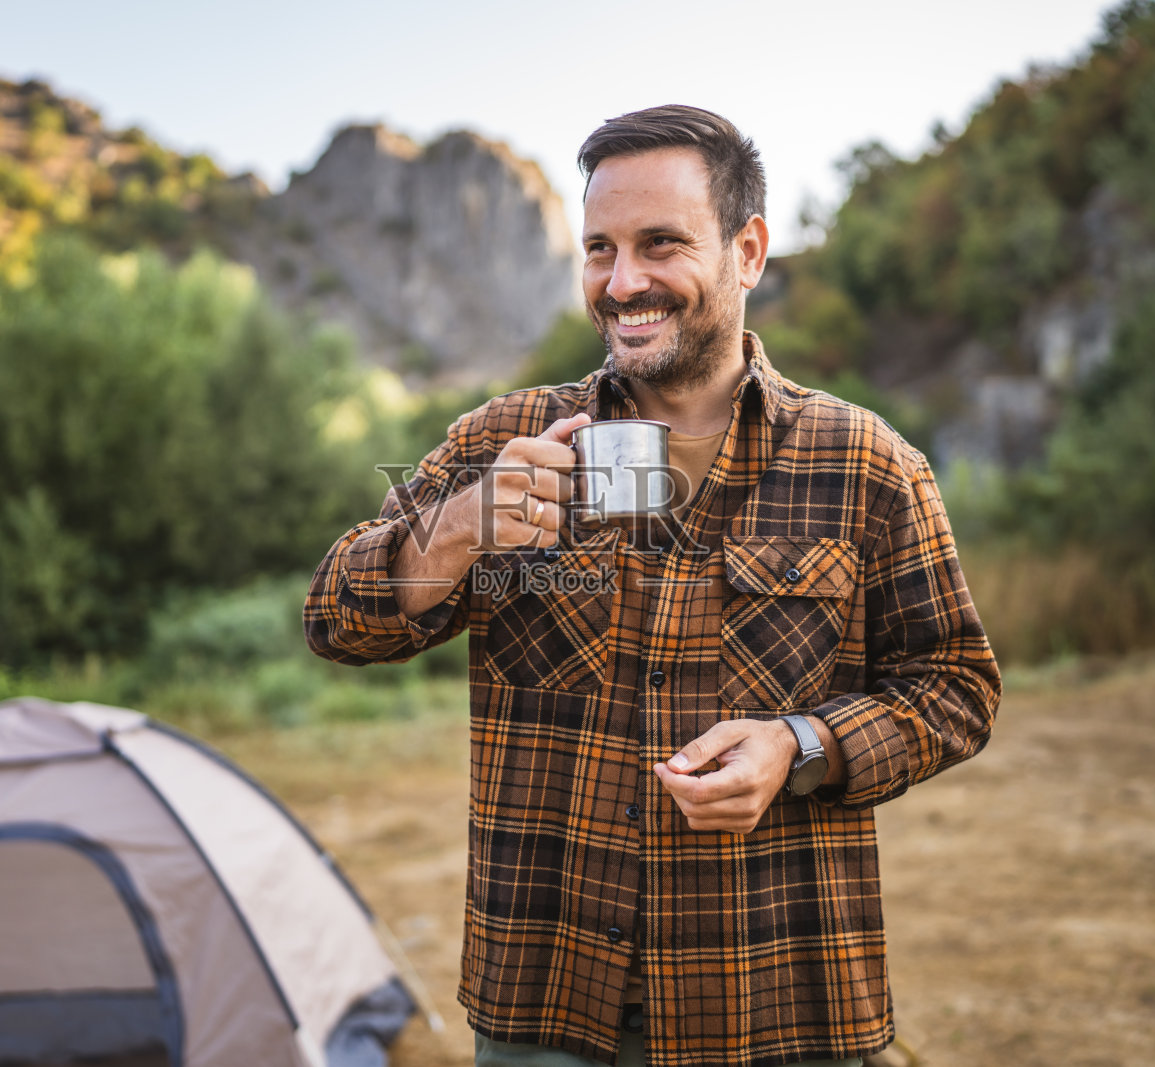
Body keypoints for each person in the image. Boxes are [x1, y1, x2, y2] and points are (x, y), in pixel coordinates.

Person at [305, 105, 1000, 1067]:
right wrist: (459, 525)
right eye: (600, 249)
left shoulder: (868, 463)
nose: (622, 282)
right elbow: (335, 621)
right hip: (548, 1008)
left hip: (782, 1003)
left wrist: (801, 746)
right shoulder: (502, 440)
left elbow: (956, 688)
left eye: (660, 243)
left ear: (747, 251)